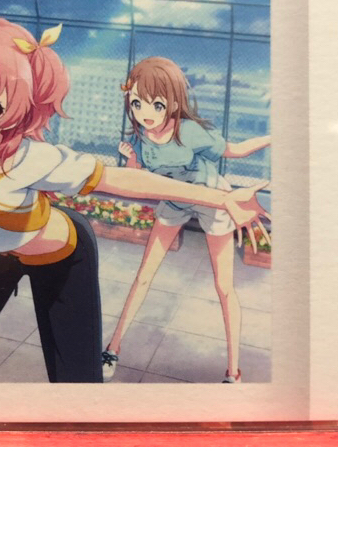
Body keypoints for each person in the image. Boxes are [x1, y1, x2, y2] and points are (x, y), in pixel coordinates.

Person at [0, 0, 270, 384]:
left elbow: (118, 180)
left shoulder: (28, 158)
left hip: (60, 254)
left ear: (17, 108)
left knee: (75, 378)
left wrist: (220, 198)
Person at [101, 56, 271, 383]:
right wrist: (132, 159)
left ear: (175, 104)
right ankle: (113, 348)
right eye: (136, 103)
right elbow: (139, 176)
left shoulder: (189, 131)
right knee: (144, 276)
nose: (145, 112)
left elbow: (235, 150)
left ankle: (233, 373)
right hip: (174, 201)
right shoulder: (140, 138)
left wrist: (275, 137)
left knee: (224, 286)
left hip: (212, 198)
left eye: (156, 104)